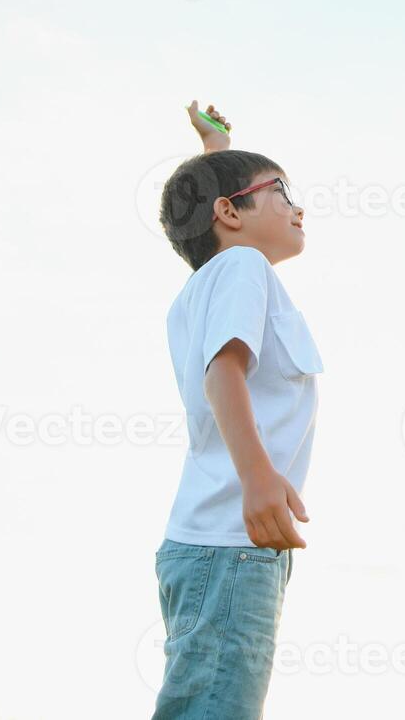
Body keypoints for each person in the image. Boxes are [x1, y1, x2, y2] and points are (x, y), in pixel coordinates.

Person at [150, 101, 321, 718]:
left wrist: (216, 152)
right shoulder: (243, 267)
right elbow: (224, 370)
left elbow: (216, 205)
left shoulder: (215, 279)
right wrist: (256, 479)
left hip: (221, 543)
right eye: (281, 191)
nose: (297, 206)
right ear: (228, 212)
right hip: (231, 539)